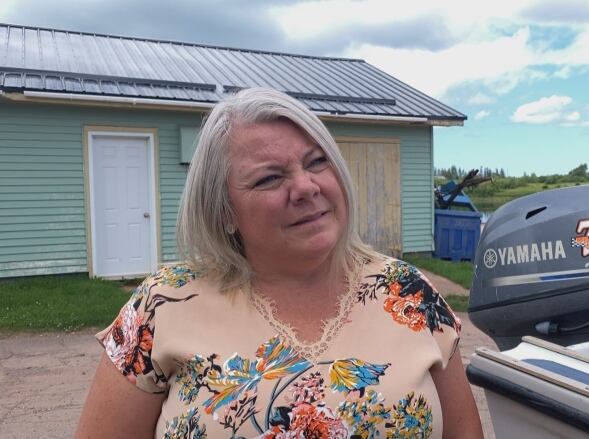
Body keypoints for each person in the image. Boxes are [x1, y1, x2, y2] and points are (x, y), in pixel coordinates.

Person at [76, 87, 483, 438]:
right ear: (225, 212)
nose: (306, 187)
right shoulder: (161, 304)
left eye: (317, 162)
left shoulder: (408, 292)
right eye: (270, 178)